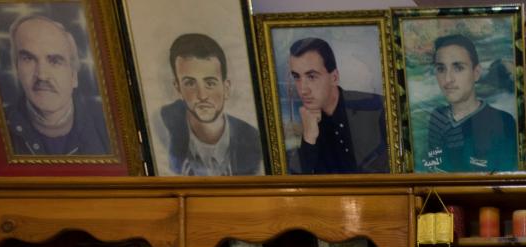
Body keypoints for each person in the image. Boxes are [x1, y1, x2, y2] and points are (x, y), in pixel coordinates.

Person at [2, 14, 110, 156]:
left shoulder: (107, 126)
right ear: (17, 68)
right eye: (28, 59)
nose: (42, 75)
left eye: (55, 61)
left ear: (74, 76)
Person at [159, 33, 263, 176]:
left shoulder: (253, 140)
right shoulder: (165, 135)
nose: (202, 95)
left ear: (226, 88)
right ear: (178, 88)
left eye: (210, 83)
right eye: (190, 83)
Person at [286, 37, 388, 174]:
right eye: (297, 77)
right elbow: (294, 183)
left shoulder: (376, 108)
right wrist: (309, 138)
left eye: (311, 76)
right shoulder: (299, 125)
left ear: (334, 77)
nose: (303, 90)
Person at [421, 34, 516, 173]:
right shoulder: (438, 117)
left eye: (458, 68)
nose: (447, 79)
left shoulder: (503, 121)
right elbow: (432, 168)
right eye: (441, 69)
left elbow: (506, 179)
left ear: (476, 73)